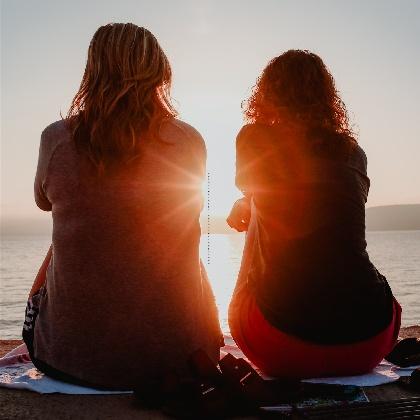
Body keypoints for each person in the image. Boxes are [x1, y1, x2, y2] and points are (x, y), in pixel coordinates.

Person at [23, 23, 222, 390]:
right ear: (161, 71)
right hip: (182, 359)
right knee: (177, 237)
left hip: (71, 362)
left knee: (69, 235)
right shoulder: (190, 140)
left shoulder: (56, 138)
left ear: (92, 71)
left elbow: (43, 201)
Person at [227, 50, 401, 378]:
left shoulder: (254, 138)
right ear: (326, 98)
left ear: (265, 94)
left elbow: (255, 187)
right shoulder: (354, 153)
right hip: (371, 343)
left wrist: (248, 202)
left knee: (257, 211)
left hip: (281, 346)